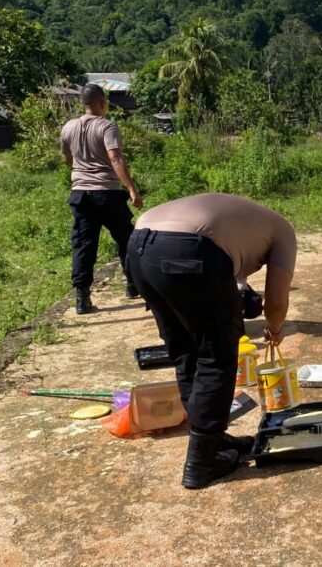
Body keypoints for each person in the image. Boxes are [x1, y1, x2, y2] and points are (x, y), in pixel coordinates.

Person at [127, 193, 297, 489]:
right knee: (216, 356)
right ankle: (200, 464)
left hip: (139, 246)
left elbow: (230, 279)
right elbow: (277, 298)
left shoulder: (245, 222)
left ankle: (210, 440)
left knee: (185, 350)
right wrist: (275, 326)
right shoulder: (284, 231)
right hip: (191, 250)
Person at [60, 83, 143, 315]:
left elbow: (68, 158)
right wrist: (131, 188)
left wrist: (82, 171)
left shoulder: (68, 127)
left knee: (83, 245)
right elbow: (114, 157)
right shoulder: (107, 126)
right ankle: (132, 285)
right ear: (102, 102)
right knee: (126, 238)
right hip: (107, 192)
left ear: (82, 103)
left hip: (80, 194)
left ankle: (82, 298)